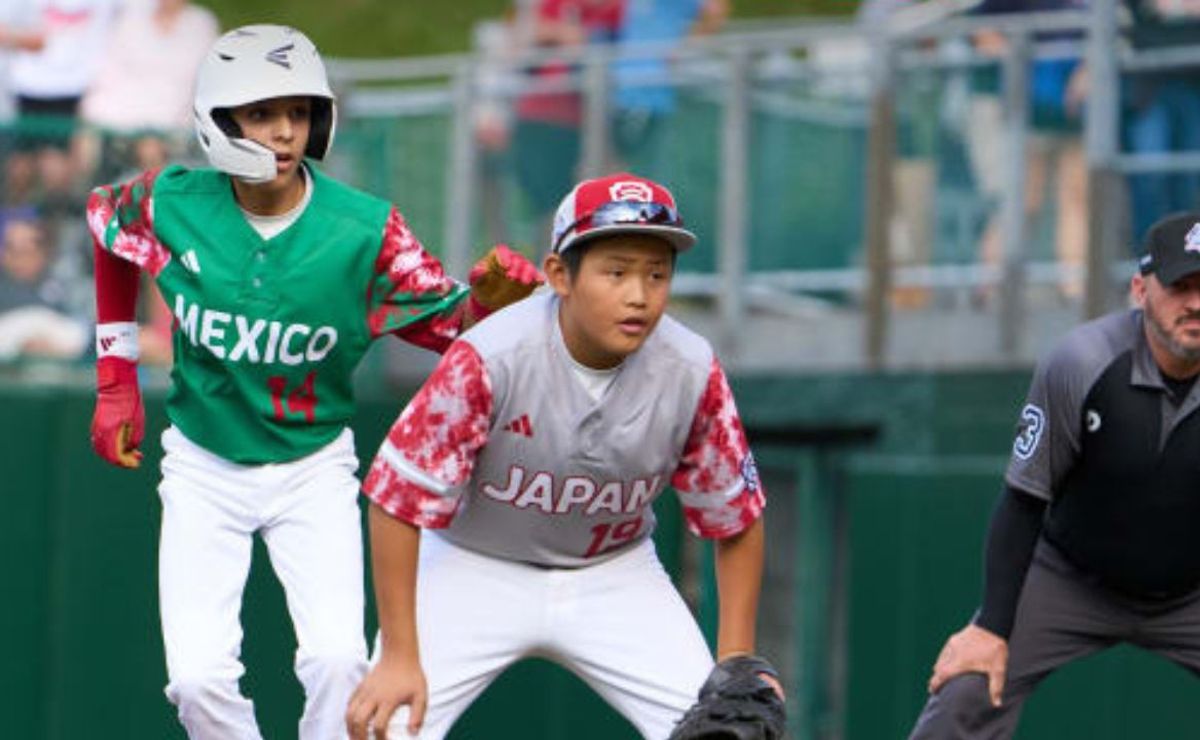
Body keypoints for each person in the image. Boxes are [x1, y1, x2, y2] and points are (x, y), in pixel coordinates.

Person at [85, 25, 542, 740]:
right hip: (204, 462)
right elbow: (108, 229)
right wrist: (115, 379)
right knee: (198, 680)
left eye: (297, 112)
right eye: (262, 114)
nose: (284, 131)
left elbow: (451, 326)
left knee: (337, 663)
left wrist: (487, 304)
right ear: (219, 121)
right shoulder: (172, 198)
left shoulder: (365, 230)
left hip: (311, 465)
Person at [345, 172, 778, 740]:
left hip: (614, 572)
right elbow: (396, 498)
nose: (639, 294)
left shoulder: (691, 369)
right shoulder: (492, 353)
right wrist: (401, 654)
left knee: (726, 732)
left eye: (657, 273)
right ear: (559, 275)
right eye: (616, 271)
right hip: (473, 563)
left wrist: (735, 661)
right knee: (381, 726)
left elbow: (736, 518)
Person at [910, 212, 1200, 738]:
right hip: (1070, 577)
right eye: (1181, 287)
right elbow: (1023, 499)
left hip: (1192, 591)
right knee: (967, 690)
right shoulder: (1082, 361)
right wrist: (992, 627)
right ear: (1139, 289)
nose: (1196, 304)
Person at [0, 207, 86, 359]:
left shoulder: (66, 289)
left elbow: (83, 336)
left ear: (43, 254)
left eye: (25, 252)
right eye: (10, 249)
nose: (16, 259)